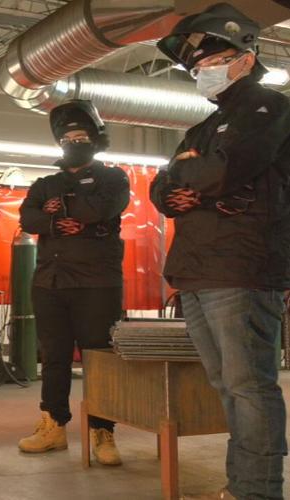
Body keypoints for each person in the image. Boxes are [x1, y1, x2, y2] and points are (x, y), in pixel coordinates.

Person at [152, 4, 290, 499]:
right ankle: (241, 486)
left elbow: (222, 173)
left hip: (242, 267)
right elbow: (160, 190)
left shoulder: (268, 109)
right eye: (195, 66)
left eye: (212, 60)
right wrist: (183, 180)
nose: (201, 71)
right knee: (227, 386)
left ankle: (258, 491)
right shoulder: (200, 130)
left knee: (250, 386)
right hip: (196, 271)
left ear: (246, 58)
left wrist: (191, 175)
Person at [17, 100, 129, 466]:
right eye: (68, 138)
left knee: (99, 359)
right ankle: (53, 426)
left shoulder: (113, 178)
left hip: (98, 283)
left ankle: (102, 430)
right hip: (50, 282)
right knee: (54, 358)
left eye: (81, 136)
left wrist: (60, 206)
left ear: (95, 140)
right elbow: (28, 217)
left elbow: (99, 210)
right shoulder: (45, 182)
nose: (74, 142)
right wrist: (53, 221)